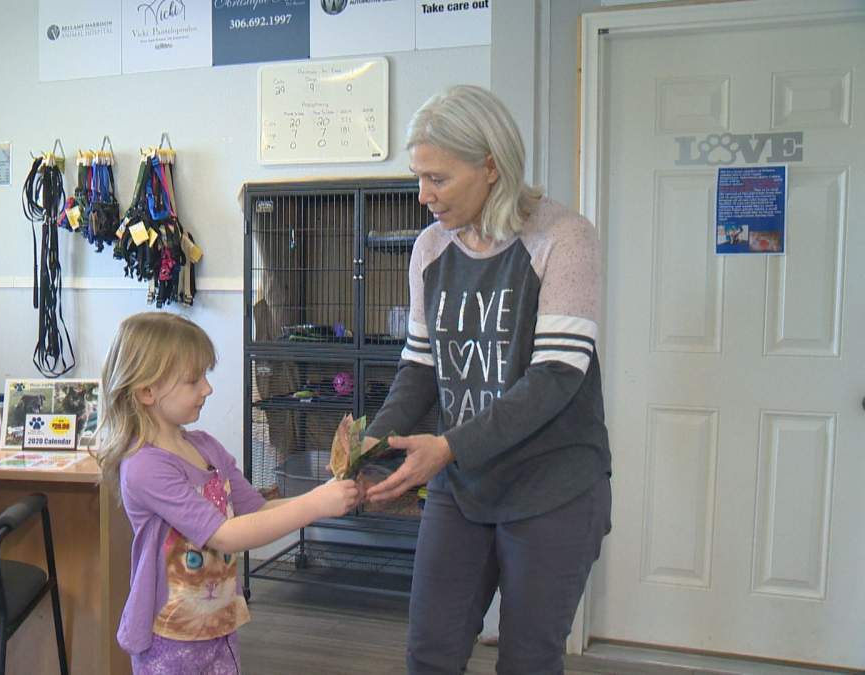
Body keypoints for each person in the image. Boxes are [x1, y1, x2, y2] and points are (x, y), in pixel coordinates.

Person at [363, 85, 612, 674]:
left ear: (491, 166)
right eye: (419, 177)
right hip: (463, 483)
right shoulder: (429, 248)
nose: (423, 195)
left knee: (527, 660)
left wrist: (447, 445)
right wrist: (374, 441)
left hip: (553, 486)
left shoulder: (564, 238)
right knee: (430, 653)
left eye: (439, 179)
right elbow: (419, 366)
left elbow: (555, 378)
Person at [96, 311, 361, 674]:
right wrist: (315, 505)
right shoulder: (145, 467)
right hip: (168, 636)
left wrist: (326, 495)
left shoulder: (206, 447)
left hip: (217, 623)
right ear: (146, 391)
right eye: (193, 380)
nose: (207, 388)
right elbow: (226, 536)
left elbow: (255, 511)